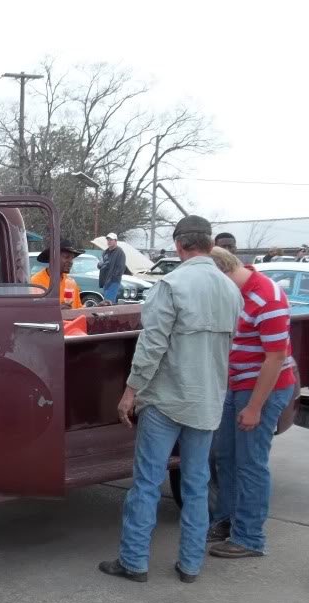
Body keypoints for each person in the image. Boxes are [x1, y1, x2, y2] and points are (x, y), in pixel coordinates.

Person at [99, 215, 241, 583]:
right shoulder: (230, 290)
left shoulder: (172, 285)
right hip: (207, 401)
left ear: (179, 246)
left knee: (147, 482)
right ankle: (191, 564)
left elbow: (151, 346)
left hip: (166, 400)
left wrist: (130, 392)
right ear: (210, 246)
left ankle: (134, 562)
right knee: (196, 484)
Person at [205, 247, 296, 556]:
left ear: (223, 273)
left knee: (251, 464)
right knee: (224, 456)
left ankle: (250, 537)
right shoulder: (235, 294)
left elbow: (275, 357)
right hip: (237, 384)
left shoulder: (267, 298)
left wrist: (255, 406)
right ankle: (226, 521)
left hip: (261, 388)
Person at [31, 239, 84, 309]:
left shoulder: (71, 283)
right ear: (53, 258)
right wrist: (56, 310)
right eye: (66, 257)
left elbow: (79, 310)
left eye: (72, 258)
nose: (70, 262)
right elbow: (33, 312)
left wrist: (96, 308)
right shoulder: (35, 283)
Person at [97, 233, 125, 304]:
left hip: (113, 281)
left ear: (116, 241)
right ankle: (113, 314)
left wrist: (114, 277)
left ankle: (110, 314)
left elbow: (121, 267)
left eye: (111, 240)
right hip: (105, 281)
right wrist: (100, 265)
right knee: (109, 302)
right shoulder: (105, 252)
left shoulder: (119, 252)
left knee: (108, 302)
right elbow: (101, 264)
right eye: (108, 240)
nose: (109, 241)